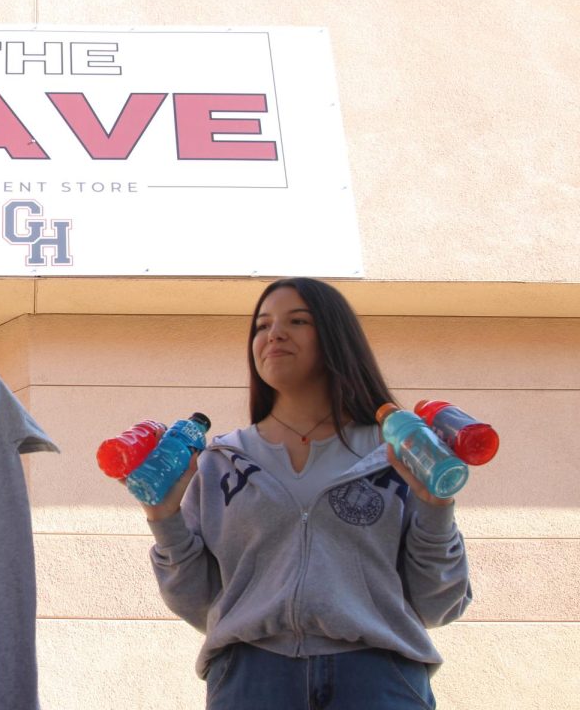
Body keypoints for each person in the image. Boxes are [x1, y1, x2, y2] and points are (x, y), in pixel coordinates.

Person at [142, 277, 471, 709]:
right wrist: (163, 520)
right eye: (261, 326)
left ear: (336, 337)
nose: (273, 333)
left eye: (297, 321)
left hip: (379, 679)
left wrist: (436, 509)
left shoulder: (399, 451)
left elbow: (437, 603)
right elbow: (199, 603)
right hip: (251, 680)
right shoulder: (219, 460)